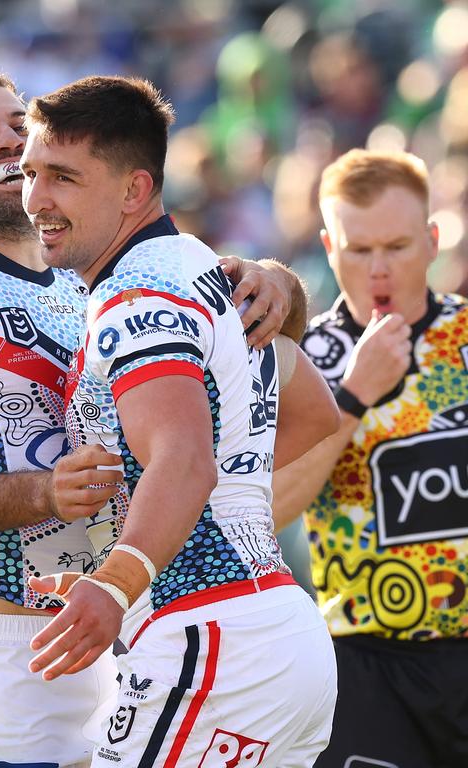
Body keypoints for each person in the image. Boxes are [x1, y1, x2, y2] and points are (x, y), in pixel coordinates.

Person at [0, 68, 306, 768]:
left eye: (18, 124)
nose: (8, 141)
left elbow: (240, 407)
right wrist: (43, 493)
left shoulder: (96, 278)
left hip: (107, 636)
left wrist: (280, 287)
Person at [20, 75, 339, 767]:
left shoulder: (136, 293)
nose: (36, 198)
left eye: (64, 178)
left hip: (209, 640)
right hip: (274, 633)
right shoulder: (207, 269)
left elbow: (185, 461)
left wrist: (116, 582)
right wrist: (170, 534)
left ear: (134, 191)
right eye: (31, 173)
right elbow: (315, 413)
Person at [273, 148, 468, 768]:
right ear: (329, 247)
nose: (379, 270)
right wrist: (352, 397)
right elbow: (268, 506)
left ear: (433, 240)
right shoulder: (301, 361)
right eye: (359, 251)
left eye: (398, 246)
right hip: (365, 661)